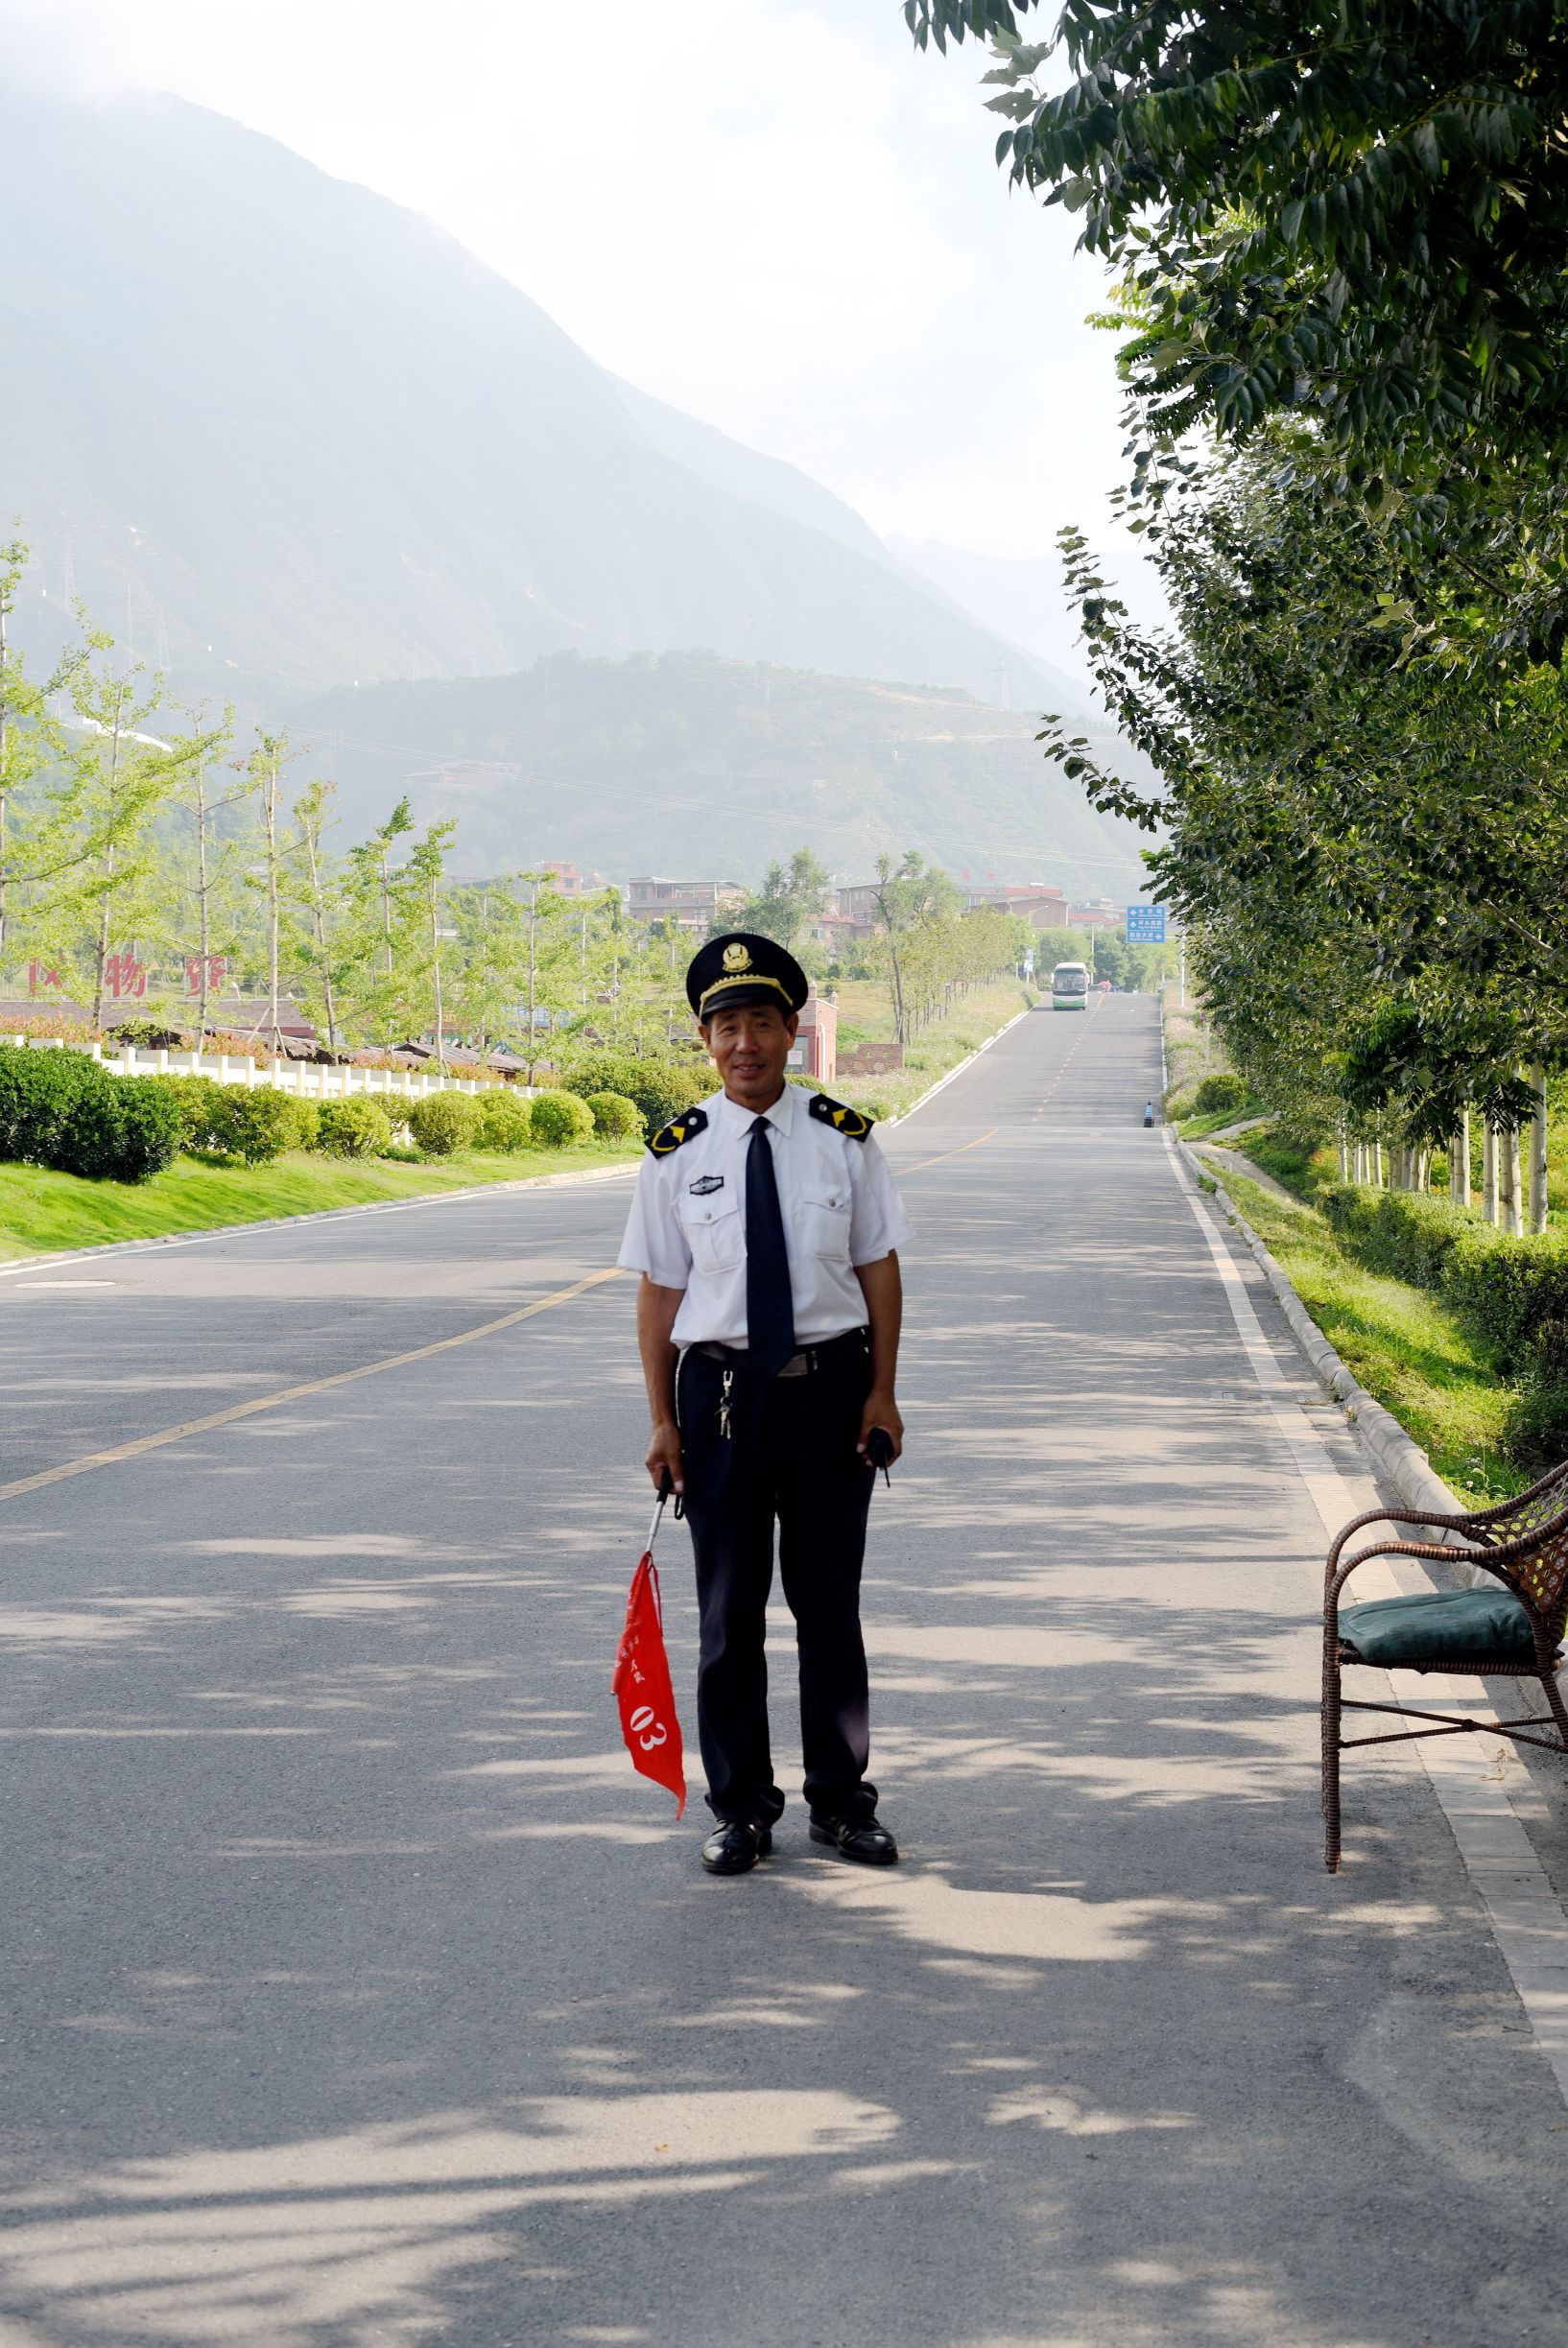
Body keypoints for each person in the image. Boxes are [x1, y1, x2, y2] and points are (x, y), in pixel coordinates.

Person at [618, 932, 914, 1876]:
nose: (742, 1042)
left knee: (829, 1607)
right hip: (719, 1401)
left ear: (792, 1030)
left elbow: (877, 1266)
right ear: (704, 1039)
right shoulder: (676, 1153)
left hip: (830, 1391)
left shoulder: (843, 1140)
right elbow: (659, 1293)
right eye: (723, 1026)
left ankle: (839, 1801)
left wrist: (882, 1391)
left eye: (759, 1022)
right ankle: (741, 1805)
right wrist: (662, 1418)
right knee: (726, 1613)